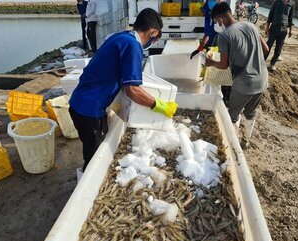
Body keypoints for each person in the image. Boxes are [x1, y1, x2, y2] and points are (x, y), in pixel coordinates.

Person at [69, 8, 178, 171]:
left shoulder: (121, 37)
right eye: (155, 40)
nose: (152, 43)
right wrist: (159, 105)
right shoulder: (133, 45)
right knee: (95, 160)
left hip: (81, 102)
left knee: (94, 151)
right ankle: (83, 191)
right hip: (89, 109)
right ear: (153, 31)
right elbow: (132, 90)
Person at [205, 2, 269, 148]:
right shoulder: (251, 25)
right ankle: (245, 141)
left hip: (244, 83)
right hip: (262, 79)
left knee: (232, 116)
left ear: (220, 19)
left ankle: (233, 148)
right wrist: (253, 61)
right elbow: (265, 49)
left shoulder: (225, 36)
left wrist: (210, 63)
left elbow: (223, 65)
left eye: (216, 22)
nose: (217, 25)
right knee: (251, 113)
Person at [265, 0, 295, 71]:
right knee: (268, 46)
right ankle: (261, 62)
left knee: (279, 49)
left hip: (283, 30)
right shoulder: (276, 2)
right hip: (274, 28)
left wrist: (291, 30)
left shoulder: (292, 4)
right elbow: (271, 14)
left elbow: (291, 18)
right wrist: (267, 27)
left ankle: (272, 64)